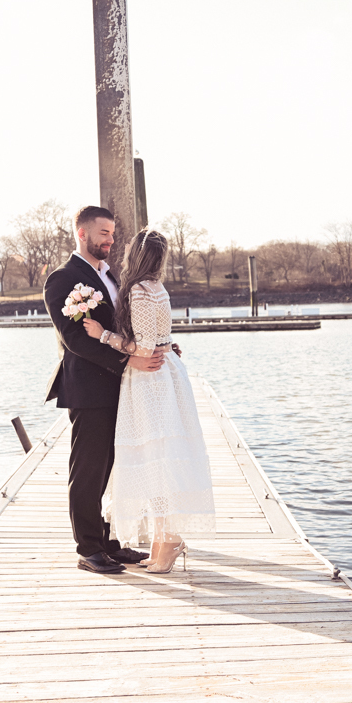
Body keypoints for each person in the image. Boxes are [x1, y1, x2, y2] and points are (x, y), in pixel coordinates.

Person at [83, 228, 216, 573]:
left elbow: (142, 349)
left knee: (156, 462)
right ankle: (162, 542)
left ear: (137, 256)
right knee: (160, 462)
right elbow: (159, 338)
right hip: (164, 374)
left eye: (128, 250)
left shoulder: (140, 292)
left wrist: (103, 335)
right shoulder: (158, 288)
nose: (123, 253)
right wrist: (168, 344)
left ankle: (168, 541)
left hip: (150, 383)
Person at [43, 206, 165, 574]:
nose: (111, 240)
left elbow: (128, 328)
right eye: (104, 233)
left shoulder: (112, 276)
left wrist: (159, 346)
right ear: (82, 233)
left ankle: (110, 543)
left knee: (115, 468)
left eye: (113, 233)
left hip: (123, 388)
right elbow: (75, 340)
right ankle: (88, 549)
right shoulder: (62, 279)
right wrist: (129, 362)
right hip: (90, 390)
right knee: (89, 471)